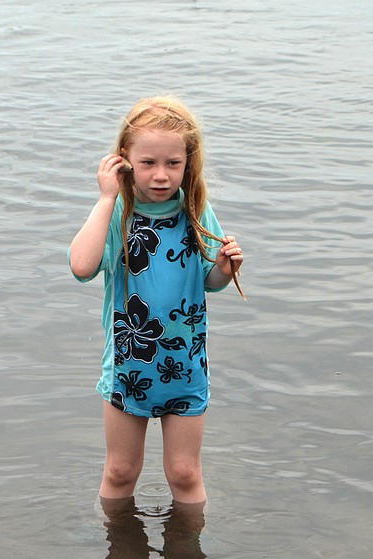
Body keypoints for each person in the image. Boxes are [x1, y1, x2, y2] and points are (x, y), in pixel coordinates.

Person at [69, 96, 244, 505]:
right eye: (148, 163)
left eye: (173, 163)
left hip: (185, 362)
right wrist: (106, 198)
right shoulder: (118, 214)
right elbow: (81, 266)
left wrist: (224, 267)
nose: (161, 175)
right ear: (125, 160)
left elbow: (209, 282)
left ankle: (189, 555)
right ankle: (118, 556)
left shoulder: (196, 210)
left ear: (189, 163)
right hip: (130, 365)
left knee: (184, 473)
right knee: (120, 470)